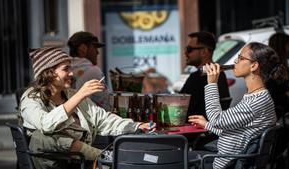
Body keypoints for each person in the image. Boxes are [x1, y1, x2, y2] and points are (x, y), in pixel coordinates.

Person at [20, 47, 154, 169]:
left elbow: (102, 119)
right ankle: (101, 156)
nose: (71, 74)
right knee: (42, 136)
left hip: (81, 162)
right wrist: (80, 95)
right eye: (66, 69)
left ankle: (104, 158)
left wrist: (136, 126)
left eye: (70, 69)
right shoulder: (31, 98)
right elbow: (46, 124)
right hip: (54, 162)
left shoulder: (70, 94)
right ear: (48, 73)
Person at [188, 42, 279, 168]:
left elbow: (217, 119)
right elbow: (234, 133)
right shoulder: (257, 97)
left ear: (254, 65)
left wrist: (212, 84)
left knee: (178, 158)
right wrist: (207, 125)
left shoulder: (256, 102)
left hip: (225, 164)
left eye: (241, 58)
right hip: (225, 159)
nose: (236, 61)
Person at [179, 31, 230, 120]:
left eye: (189, 49)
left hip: (199, 130)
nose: (185, 53)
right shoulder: (219, 73)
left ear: (204, 52)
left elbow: (181, 107)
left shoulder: (203, 76)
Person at [67, 31, 111, 111]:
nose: (97, 52)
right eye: (94, 48)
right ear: (83, 48)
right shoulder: (92, 70)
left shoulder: (65, 70)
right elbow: (106, 105)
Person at [267, 32, 289, 116]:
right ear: (281, 48)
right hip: (277, 118)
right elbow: (272, 99)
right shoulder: (275, 70)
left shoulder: (279, 67)